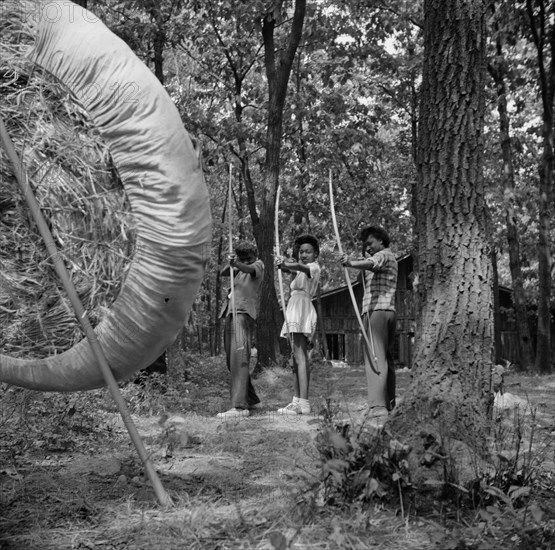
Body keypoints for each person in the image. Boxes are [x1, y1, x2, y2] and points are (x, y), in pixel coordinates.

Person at [339, 226, 398, 427]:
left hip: (377, 313)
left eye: (370, 243)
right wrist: (355, 265)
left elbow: (372, 263)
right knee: (384, 358)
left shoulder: (384, 255)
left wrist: (351, 262)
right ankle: (388, 403)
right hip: (385, 312)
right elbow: (361, 277)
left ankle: (377, 407)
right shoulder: (383, 259)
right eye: (366, 245)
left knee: (375, 358)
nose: (369, 248)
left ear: (381, 241)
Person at [275, 234, 321, 416]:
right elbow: (291, 269)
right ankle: (296, 400)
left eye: (308, 251)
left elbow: (297, 266)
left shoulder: (313, 267)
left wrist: (285, 262)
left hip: (302, 307)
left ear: (315, 254)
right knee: (295, 358)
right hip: (295, 307)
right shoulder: (300, 271)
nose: (304, 254)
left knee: (300, 356)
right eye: (301, 251)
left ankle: (304, 402)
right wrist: (283, 264)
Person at [217, 241, 263, 420]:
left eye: (249, 258)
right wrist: (231, 262)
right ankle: (252, 399)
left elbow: (250, 269)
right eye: (243, 258)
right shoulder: (237, 268)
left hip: (243, 313)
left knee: (239, 358)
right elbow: (222, 273)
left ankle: (239, 406)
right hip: (231, 312)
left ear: (255, 256)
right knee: (232, 361)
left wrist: (238, 263)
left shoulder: (257, 265)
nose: (247, 261)